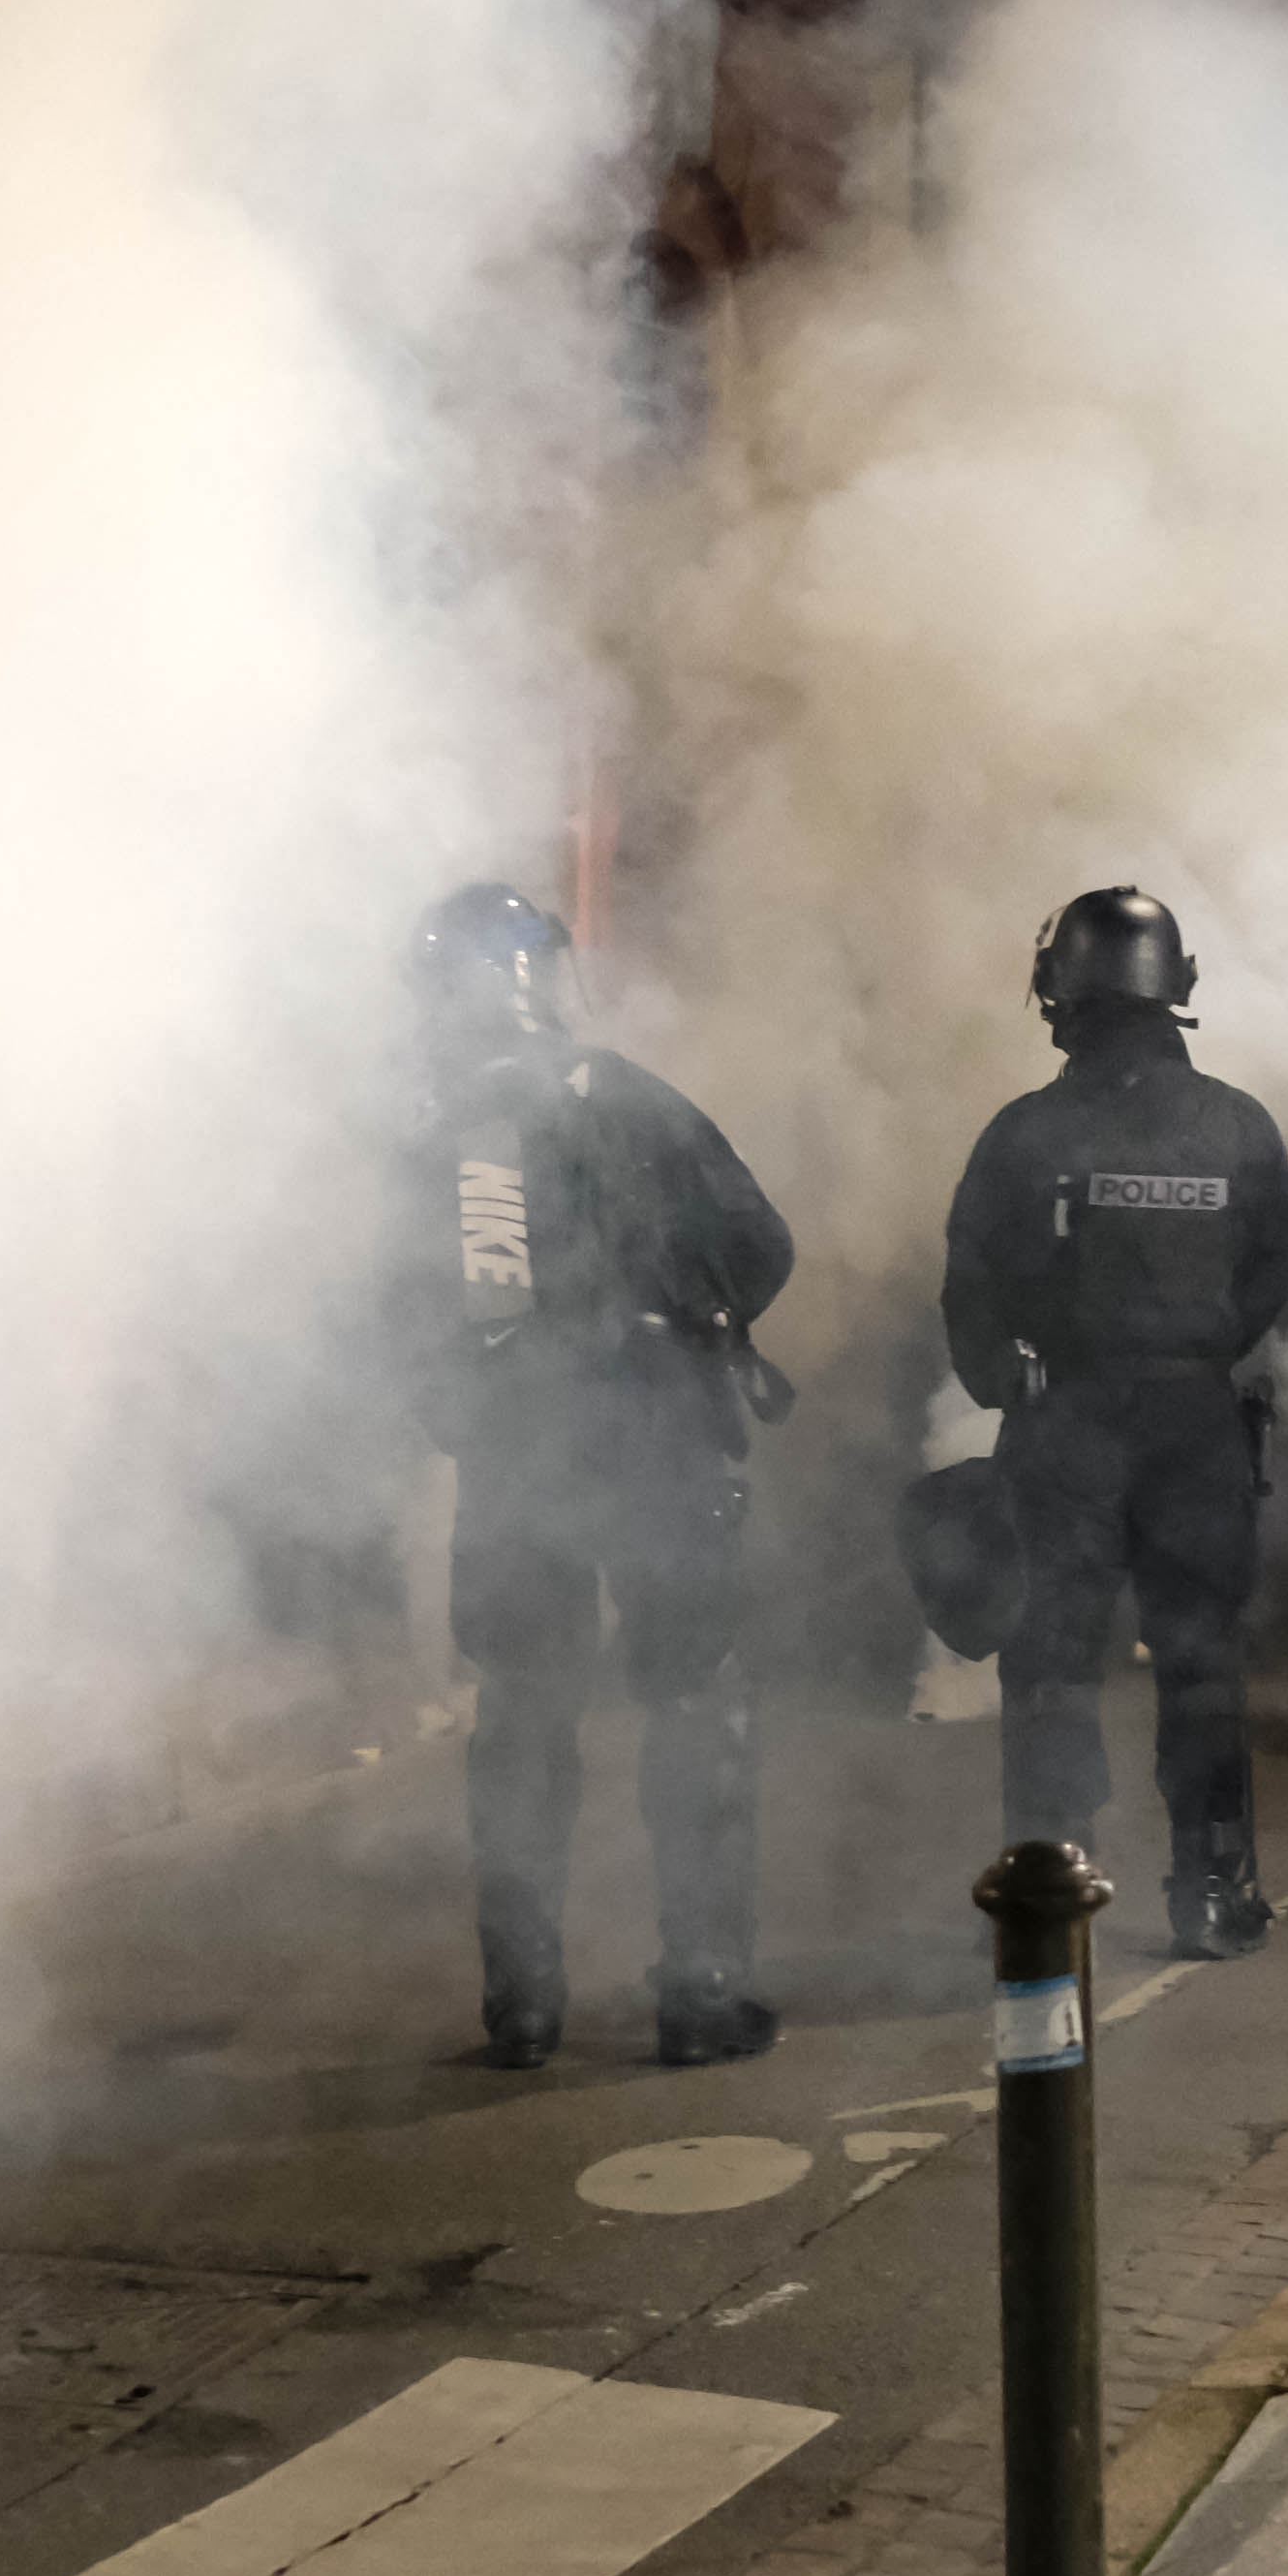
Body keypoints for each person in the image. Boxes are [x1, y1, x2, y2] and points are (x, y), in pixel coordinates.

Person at [404, 885, 798, 2071]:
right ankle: (700, 1992)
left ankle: (521, 2007)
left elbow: (392, 1324)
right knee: (694, 1699)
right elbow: (763, 1242)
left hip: (520, 1457)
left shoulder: (441, 1136)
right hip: (661, 1443)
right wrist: (702, 1324)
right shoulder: (627, 1093)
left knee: (523, 1712)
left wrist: (474, 1411)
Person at [947, 887, 1288, 1956]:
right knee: (1200, 1659)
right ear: (1177, 988)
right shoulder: (1241, 1127)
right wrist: (1190, 1358)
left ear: (1059, 993)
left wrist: (1007, 1380)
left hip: (1065, 1423)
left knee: (1051, 1660)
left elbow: (972, 1288)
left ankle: (1050, 1889)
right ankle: (1211, 1888)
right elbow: (1268, 1277)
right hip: (1196, 1422)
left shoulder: (1025, 1132)